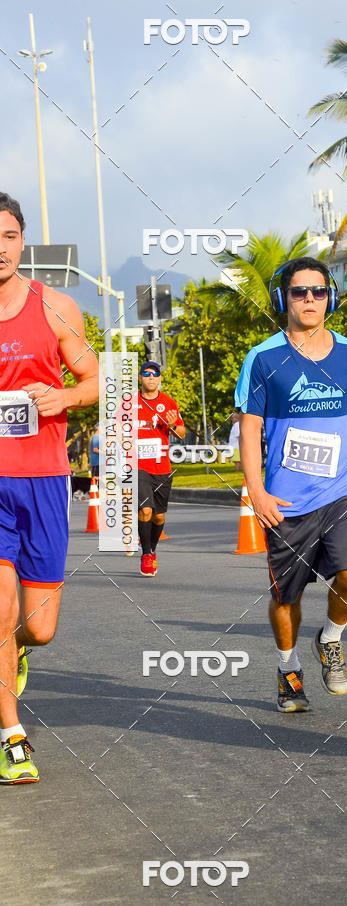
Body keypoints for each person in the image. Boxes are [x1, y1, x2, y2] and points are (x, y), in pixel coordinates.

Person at [235, 256, 347, 713]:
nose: (309, 299)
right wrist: (256, 491)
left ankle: (330, 639)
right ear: (284, 299)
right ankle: (287, 667)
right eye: (299, 292)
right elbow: (250, 427)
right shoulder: (263, 358)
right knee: (286, 596)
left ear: (330, 296)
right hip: (286, 498)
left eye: (318, 291)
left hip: (343, 489)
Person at [0, 192, 99, 783]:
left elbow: (93, 379)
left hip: (42, 480)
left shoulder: (57, 308)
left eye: (8, 236)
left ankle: (17, 652)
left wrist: (63, 396)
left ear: (21, 241)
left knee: (38, 626)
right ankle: (12, 734)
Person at [135, 361, 185, 576]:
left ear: (160, 379)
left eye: (155, 374)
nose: (151, 377)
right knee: (145, 510)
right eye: (146, 374)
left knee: (159, 517)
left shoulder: (169, 402)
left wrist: (173, 426)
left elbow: (181, 433)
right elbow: (116, 428)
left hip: (161, 467)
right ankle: (146, 554)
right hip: (138, 466)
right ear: (140, 378)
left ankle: (153, 548)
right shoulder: (129, 403)